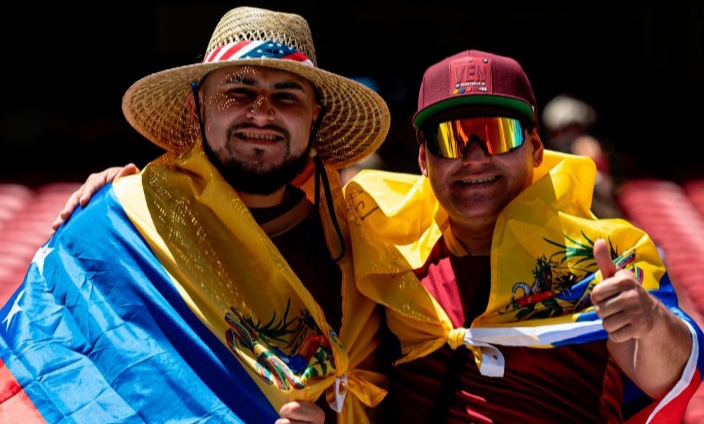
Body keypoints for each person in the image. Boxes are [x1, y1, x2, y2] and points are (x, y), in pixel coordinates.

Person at [52, 50, 704, 422]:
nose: (473, 158)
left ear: (535, 147)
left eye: (497, 135)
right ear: (423, 160)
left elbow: (667, 373)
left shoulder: (605, 252)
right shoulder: (376, 234)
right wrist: (132, 191)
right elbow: (242, 199)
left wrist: (646, 323)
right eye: (452, 139)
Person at [1, 6, 392, 424]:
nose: (261, 113)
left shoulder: (354, 257)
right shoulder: (117, 225)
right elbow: (32, 384)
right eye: (238, 91)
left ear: (314, 118)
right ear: (197, 105)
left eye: (286, 96)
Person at [541, 93, 624, 219]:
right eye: (555, 132)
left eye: (570, 129)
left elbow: (607, 188)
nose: (560, 136)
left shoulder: (588, 148)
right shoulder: (547, 159)